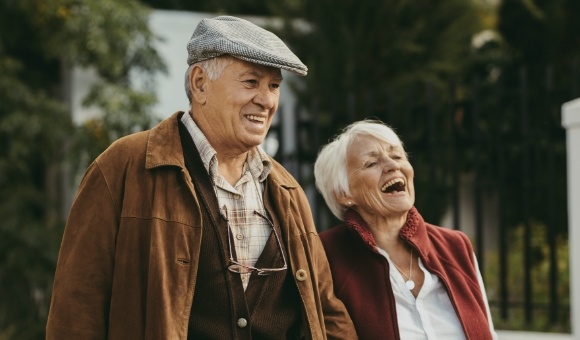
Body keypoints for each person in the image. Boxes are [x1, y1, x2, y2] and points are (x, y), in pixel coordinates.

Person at [46, 15, 356, 340]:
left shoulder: (286, 189)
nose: (266, 100)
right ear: (199, 83)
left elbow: (324, 308)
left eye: (274, 86)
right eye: (251, 82)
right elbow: (76, 311)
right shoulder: (123, 167)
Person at [314, 119, 498, 340]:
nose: (393, 166)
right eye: (372, 163)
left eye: (397, 156)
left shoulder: (456, 246)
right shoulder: (323, 255)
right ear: (344, 194)